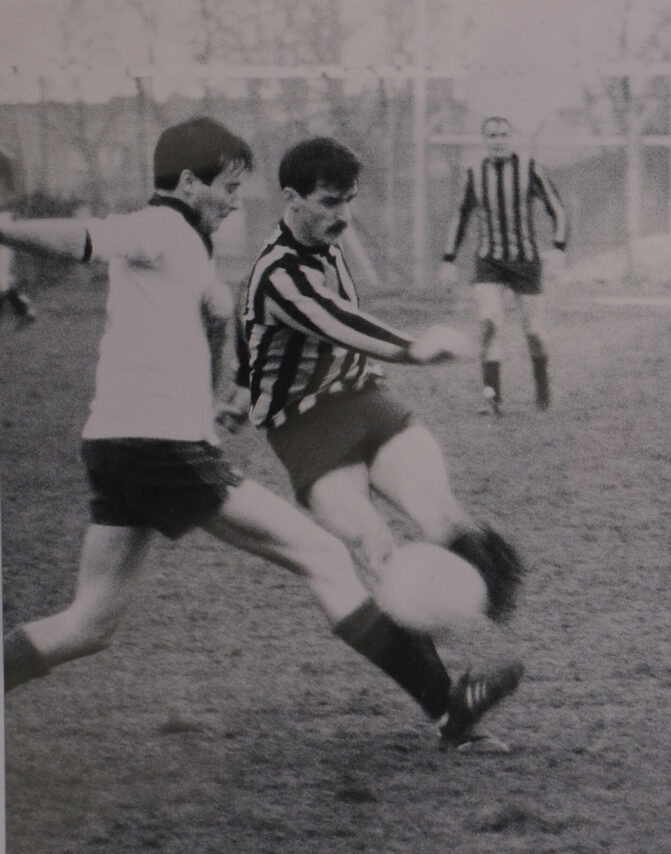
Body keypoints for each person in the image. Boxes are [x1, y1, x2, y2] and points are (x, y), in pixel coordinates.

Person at [0, 118, 517, 752]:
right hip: (162, 451)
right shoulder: (161, 226)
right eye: (229, 187)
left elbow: (205, 327)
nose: (237, 201)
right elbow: (84, 238)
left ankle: (448, 712)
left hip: (113, 446)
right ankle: (448, 709)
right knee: (324, 557)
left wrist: (222, 390)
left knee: (89, 624)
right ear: (189, 183)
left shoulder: (185, 247)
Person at [226, 136, 527, 748]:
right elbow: (339, 322)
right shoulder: (275, 272)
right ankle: (450, 707)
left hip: (368, 402)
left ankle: (478, 624)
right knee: (375, 544)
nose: (343, 215)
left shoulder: (327, 246)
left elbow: (254, 331)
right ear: (290, 199)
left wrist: (236, 389)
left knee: (444, 516)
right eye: (329, 202)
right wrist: (414, 347)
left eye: (349, 201)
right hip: (305, 429)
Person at [438, 115, 569, 414]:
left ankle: (542, 386)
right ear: (485, 140)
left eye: (503, 135)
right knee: (489, 322)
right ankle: (492, 398)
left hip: (525, 261)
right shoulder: (474, 174)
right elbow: (460, 217)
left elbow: (558, 210)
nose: (498, 140)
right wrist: (448, 259)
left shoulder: (530, 169)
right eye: (492, 135)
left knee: (534, 332)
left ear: (511, 138)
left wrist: (559, 249)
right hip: (489, 261)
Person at [0, 150, 36, 327]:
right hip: (7, 217)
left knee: (2, 274)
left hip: (4, 219)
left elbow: (13, 195)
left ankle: (24, 310)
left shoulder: (4, 159)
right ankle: (24, 310)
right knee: (3, 276)